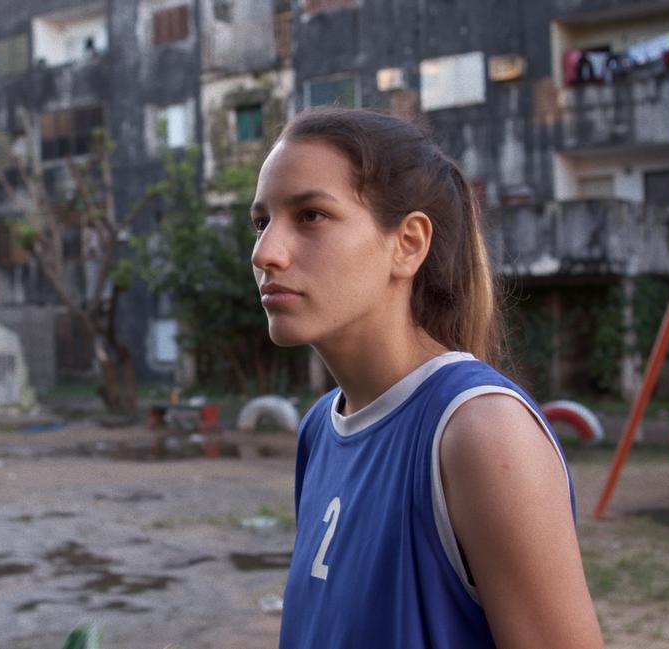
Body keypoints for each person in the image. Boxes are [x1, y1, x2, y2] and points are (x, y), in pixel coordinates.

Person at [250, 107, 602, 649]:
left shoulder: (480, 431)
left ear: (408, 243)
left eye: (311, 216)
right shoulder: (320, 428)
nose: (266, 252)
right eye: (261, 222)